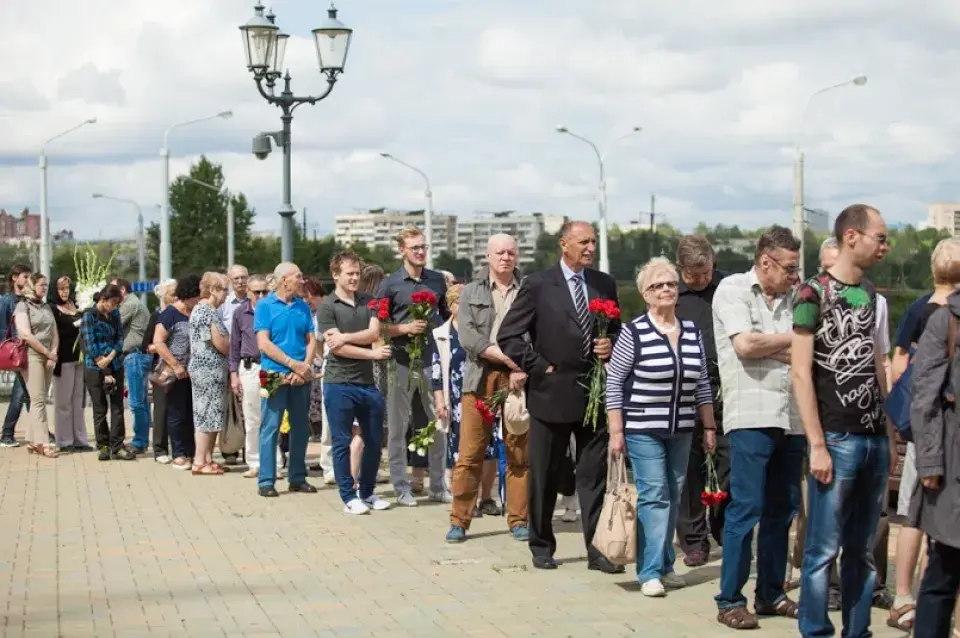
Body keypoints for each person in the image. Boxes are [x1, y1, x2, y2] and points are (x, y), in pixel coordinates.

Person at [793, 204, 895, 638]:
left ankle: (859, 631)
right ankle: (815, 630)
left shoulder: (872, 297)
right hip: (835, 439)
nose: (885, 246)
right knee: (821, 550)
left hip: (873, 439)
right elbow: (800, 371)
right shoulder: (810, 294)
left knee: (863, 551)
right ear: (852, 237)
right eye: (881, 236)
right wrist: (817, 444)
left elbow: (878, 365)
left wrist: (889, 435)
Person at [498, 220, 621, 573]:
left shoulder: (603, 283)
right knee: (545, 473)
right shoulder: (538, 284)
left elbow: (615, 327)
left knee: (593, 475)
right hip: (550, 394)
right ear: (564, 244)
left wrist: (609, 342)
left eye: (594, 241)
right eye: (584, 242)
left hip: (593, 394)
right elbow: (509, 335)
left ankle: (598, 551)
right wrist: (540, 366)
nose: (591, 248)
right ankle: (541, 544)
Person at [605, 257, 715, 596]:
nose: (666, 289)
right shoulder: (633, 332)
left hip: (682, 428)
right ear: (645, 294)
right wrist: (616, 431)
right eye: (657, 286)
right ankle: (649, 571)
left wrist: (709, 426)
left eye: (670, 284)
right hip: (642, 428)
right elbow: (614, 382)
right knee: (655, 496)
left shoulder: (692, 331)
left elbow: (702, 383)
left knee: (674, 493)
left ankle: (666, 564)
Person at [711, 227, 803, 629]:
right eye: (789, 268)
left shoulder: (797, 296)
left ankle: (770, 593)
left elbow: (808, 353)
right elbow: (745, 346)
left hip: (794, 415)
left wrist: (778, 344)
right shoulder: (732, 289)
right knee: (746, 508)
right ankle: (730, 598)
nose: (794, 276)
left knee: (783, 509)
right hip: (751, 414)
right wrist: (796, 338)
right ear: (766, 261)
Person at [884, 238, 960, 631]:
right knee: (942, 566)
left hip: (938, 452)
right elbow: (919, 390)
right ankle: (905, 599)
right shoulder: (942, 319)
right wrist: (928, 454)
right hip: (945, 457)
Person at [444, 234, 527, 544]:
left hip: (519, 380)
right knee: (469, 454)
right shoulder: (471, 292)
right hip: (480, 377)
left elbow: (537, 332)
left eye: (510, 252)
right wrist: (508, 359)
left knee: (519, 453)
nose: (505, 257)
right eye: (499, 252)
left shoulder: (529, 289)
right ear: (487, 256)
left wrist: (521, 368)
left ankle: (519, 519)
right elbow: (469, 338)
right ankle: (459, 521)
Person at [376, 227, 450, 506]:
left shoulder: (437, 281)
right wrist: (404, 327)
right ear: (402, 251)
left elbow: (446, 318)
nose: (420, 252)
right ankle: (401, 486)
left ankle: (438, 485)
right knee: (398, 426)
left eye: (423, 247)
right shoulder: (390, 284)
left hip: (432, 361)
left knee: (438, 423)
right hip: (401, 362)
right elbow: (378, 327)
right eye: (414, 247)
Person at [317, 252, 392, 514]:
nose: (354, 278)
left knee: (373, 439)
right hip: (338, 383)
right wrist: (371, 353)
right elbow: (337, 350)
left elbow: (374, 333)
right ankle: (348, 496)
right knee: (341, 441)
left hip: (366, 383)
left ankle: (368, 492)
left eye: (357, 273)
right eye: (349, 273)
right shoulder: (327, 306)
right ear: (335, 274)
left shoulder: (369, 301)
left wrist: (345, 337)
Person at [674, 234, 729, 567]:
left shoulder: (728, 288)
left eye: (706, 273)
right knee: (689, 467)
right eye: (694, 275)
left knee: (729, 464)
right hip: (684, 390)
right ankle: (693, 540)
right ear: (681, 269)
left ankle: (723, 527)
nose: (700, 280)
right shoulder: (670, 294)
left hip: (726, 387)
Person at [908, 289, 960, 638]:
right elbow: (924, 396)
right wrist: (929, 464)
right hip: (953, 467)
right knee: (943, 572)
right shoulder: (948, 320)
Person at [255, 262, 318, 498]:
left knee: (301, 427)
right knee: (270, 427)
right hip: (272, 374)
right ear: (284, 280)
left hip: (301, 376)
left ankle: (297, 478)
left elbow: (311, 339)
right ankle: (266, 481)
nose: (302, 281)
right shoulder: (264, 306)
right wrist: (293, 365)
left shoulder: (303, 306)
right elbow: (263, 343)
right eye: (298, 277)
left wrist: (305, 367)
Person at [80, 284, 135, 461]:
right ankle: (103, 444)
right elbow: (90, 344)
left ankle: (117, 445)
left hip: (115, 363)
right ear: (102, 300)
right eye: (112, 303)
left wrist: (111, 357)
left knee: (118, 407)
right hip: (95, 367)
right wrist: (103, 365)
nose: (114, 308)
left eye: (117, 305)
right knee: (100, 408)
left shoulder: (115, 314)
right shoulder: (89, 316)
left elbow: (120, 337)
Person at [230, 274, 277, 478]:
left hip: (272, 367)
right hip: (249, 368)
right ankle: (255, 462)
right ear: (248, 293)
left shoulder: (275, 310)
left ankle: (274, 462)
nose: (260, 295)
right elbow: (234, 345)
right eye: (255, 292)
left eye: (263, 291)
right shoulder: (240, 313)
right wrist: (233, 374)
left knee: (273, 415)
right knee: (252, 418)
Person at [154, 276, 202, 470]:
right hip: (176, 372)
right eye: (197, 295)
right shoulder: (170, 314)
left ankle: (192, 452)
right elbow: (158, 341)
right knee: (176, 412)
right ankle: (179, 453)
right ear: (188, 294)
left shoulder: (196, 312)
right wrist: (175, 365)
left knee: (192, 413)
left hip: (195, 372)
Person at [189, 272, 230, 475]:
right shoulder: (206, 311)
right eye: (224, 290)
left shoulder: (208, 310)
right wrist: (230, 343)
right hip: (207, 370)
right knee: (205, 414)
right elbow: (220, 343)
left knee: (213, 414)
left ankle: (207, 458)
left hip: (212, 370)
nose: (226, 295)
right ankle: (199, 460)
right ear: (213, 289)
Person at [15, 274, 59, 458]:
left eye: (46, 285)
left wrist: (54, 353)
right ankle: (43, 442)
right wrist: (46, 352)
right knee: (39, 400)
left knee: (37, 400)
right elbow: (25, 335)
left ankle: (32, 440)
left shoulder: (46, 306)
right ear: (32, 286)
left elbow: (54, 332)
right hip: (32, 355)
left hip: (49, 356)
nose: (44, 288)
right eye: (41, 285)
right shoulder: (22, 306)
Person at [111, 277, 152, 455]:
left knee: (136, 402)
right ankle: (141, 440)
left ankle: (139, 441)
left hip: (135, 356)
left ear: (121, 290)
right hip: (136, 356)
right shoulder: (133, 302)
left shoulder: (130, 304)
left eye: (111, 290)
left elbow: (112, 323)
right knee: (140, 401)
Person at [48, 275, 89, 452]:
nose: (64, 292)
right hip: (63, 359)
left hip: (80, 358)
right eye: (61, 288)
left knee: (78, 401)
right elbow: (58, 332)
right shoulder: (52, 308)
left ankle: (80, 440)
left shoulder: (77, 304)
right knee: (63, 402)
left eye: (67, 288)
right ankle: (64, 440)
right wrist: (76, 324)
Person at [143, 279, 177, 463]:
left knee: (179, 410)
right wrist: (161, 346)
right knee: (161, 410)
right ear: (163, 297)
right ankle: (160, 449)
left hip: (182, 368)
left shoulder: (183, 314)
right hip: (162, 370)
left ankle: (180, 448)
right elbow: (145, 345)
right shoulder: (156, 317)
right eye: (172, 294)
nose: (176, 297)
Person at [0, 264, 33, 447]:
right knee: (22, 393)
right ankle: (6, 434)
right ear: (14, 278)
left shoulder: (28, 299)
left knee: (27, 393)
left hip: (29, 351)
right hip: (16, 353)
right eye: (25, 276)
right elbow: (3, 329)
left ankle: (10, 432)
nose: (27, 280)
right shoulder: (6, 301)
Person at [219, 265, 249, 336]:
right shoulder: (223, 303)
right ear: (229, 281)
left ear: (248, 278)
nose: (240, 281)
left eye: (243, 277)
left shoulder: (256, 301)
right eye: (236, 278)